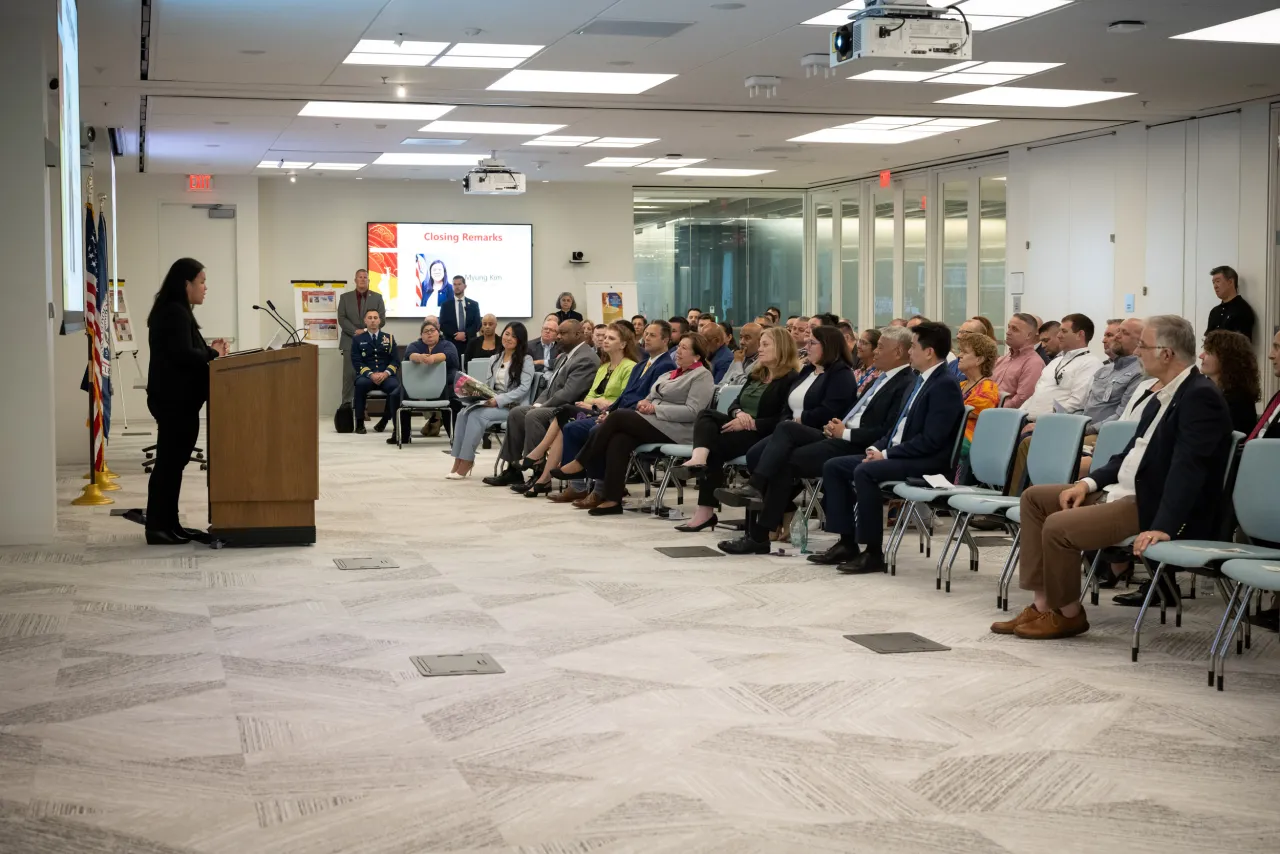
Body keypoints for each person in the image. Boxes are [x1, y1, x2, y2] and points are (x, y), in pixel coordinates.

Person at [993, 315, 1234, 640]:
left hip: (1149, 503)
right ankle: (1043, 604)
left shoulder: (1199, 397)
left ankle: (1068, 614)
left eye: (1144, 346)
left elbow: (1189, 468)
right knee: (1035, 499)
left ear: (1166, 354)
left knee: (1058, 526)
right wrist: (1087, 483)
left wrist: (1163, 526)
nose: (1137, 352)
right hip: (1124, 490)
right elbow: (1129, 454)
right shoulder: (1159, 393)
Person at [717, 325, 915, 555]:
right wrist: (837, 427)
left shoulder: (900, 383)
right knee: (779, 453)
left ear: (898, 352)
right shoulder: (880, 379)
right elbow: (851, 413)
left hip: (852, 442)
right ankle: (759, 532)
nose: (874, 351)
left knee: (785, 445)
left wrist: (843, 431)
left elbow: (884, 430)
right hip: (834, 434)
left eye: (880, 347)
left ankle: (758, 511)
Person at [810, 322, 966, 574]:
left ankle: (873, 552)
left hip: (928, 462)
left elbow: (931, 441)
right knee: (835, 466)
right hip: (901, 454)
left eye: (913, 346)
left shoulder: (944, 385)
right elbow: (895, 430)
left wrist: (886, 455)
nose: (909, 352)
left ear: (929, 352)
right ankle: (846, 542)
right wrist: (876, 449)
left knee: (865, 472)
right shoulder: (920, 380)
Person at [552, 333, 716, 515]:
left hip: (677, 429)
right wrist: (644, 403)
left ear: (697, 356)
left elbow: (693, 412)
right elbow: (650, 397)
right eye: (678, 347)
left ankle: (581, 461)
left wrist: (654, 409)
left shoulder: (702, 376)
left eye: (684, 348)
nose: (678, 351)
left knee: (619, 416)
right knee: (619, 439)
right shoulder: (670, 374)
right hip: (654, 423)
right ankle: (613, 500)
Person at [674, 327, 801, 533]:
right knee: (706, 415)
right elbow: (734, 403)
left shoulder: (790, 379)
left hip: (762, 434)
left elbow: (783, 419)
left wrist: (750, 422)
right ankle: (698, 460)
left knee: (714, 447)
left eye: (765, 344)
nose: (759, 349)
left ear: (782, 348)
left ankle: (705, 511)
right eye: (760, 344)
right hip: (739, 424)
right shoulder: (757, 373)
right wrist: (738, 414)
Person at [143, 258, 228, 545]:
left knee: (172, 465)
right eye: (201, 281)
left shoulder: (177, 311)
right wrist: (213, 353)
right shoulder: (173, 313)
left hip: (178, 400)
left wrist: (210, 350)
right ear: (186, 284)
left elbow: (190, 349)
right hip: (174, 401)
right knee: (169, 465)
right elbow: (185, 356)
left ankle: (170, 524)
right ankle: (158, 526)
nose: (206, 287)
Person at [552, 320, 677, 508]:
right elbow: (625, 395)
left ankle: (597, 487)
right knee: (572, 426)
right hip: (620, 415)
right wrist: (608, 411)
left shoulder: (665, 365)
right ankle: (579, 485)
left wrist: (613, 415)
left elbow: (647, 399)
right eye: (646, 334)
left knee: (595, 431)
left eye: (653, 335)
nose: (646, 338)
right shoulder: (641, 365)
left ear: (666, 339)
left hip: (641, 419)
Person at [518, 321, 640, 497]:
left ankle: (542, 460)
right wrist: (595, 402)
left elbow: (621, 398)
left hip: (610, 414)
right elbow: (590, 393)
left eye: (611, 338)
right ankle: (551, 477)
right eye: (604, 337)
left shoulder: (630, 367)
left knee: (566, 413)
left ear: (623, 344)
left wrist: (595, 403)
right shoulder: (604, 366)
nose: (605, 341)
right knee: (565, 421)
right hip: (593, 409)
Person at [484, 319, 599, 487]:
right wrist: (538, 403)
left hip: (570, 409)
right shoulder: (564, 356)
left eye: (563, 333)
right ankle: (513, 470)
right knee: (517, 413)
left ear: (578, 334)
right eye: (557, 333)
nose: (558, 337)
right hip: (553, 405)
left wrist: (541, 407)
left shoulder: (585, 358)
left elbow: (569, 393)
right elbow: (550, 387)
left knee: (533, 415)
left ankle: (538, 473)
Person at [446, 323, 534, 479]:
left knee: (477, 416)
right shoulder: (495, 358)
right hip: (493, 401)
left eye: (514, 336)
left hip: (513, 406)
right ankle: (458, 459)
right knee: (462, 413)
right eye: (507, 334)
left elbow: (523, 389)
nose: (509, 338)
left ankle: (467, 460)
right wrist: (478, 394)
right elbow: (488, 385)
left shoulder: (526, 360)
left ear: (520, 340)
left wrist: (498, 400)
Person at [1018, 314, 1104, 418]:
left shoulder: (1091, 363)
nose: (1058, 335)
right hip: (1030, 422)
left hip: (1053, 425)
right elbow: (1036, 395)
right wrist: (1018, 415)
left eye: (1064, 331)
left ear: (1080, 334)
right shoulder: (1055, 361)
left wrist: (1043, 422)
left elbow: (1076, 403)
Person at [392, 318, 458, 445]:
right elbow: (409, 355)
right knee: (396, 395)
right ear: (421, 335)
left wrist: (434, 358)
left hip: (443, 385)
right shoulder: (415, 345)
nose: (429, 333)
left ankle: (455, 435)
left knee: (454, 399)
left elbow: (451, 357)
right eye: (425, 331)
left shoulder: (447, 345)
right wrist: (419, 357)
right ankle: (402, 434)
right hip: (417, 384)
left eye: (432, 330)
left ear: (438, 332)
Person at [336, 268, 385, 409]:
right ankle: (346, 407)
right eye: (360, 277)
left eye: (365, 277)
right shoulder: (345, 298)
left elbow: (382, 319)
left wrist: (365, 331)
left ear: (369, 281)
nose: (363, 279)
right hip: (349, 341)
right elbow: (341, 318)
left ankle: (362, 408)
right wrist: (354, 331)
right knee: (349, 376)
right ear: (355, 280)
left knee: (367, 375)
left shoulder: (377, 297)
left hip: (370, 341)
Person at [954, 333, 1002, 477]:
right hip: (954, 435)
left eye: (965, 352)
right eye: (960, 351)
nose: (959, 355)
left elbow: (964, 412)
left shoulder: (988, 387)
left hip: (967, 439)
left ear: (979, 359)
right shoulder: (960, 384)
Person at [1201, 329, 1261, 435]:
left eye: (1208, 352)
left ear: (1226, 359)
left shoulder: (1238, 400)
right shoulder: (1212, 391)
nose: (1201, 356)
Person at [351, 308, 399, 435]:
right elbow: (357, 361)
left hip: (386, 376)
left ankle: (384, 420)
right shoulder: (357, 339)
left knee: (395, 387)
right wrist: (371, 374)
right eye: (370, 318)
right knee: (360, 385)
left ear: (380, 321)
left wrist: (385, 373)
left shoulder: (389, 338)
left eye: (375, 318)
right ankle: (360, 422)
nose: (373, 321)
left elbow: (395, 361)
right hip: (367, 376)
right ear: (365, 321)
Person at [993, 313, 1044, 409]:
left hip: (1005, 416)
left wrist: (994, 410)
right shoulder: (1003, 359)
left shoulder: (1033, 363)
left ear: (1028, 335)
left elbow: (1023, 398)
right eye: (1009, 327)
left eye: (1015, 329)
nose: (1008, 332)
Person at [1205, 265, 1255, 341]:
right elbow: (1208, 341)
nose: (1215, 286)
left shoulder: (1242, 310)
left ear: (1230, 282)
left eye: (1218, 281)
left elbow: (1242, 347)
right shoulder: (1214, 311)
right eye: (1213, 283)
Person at [438, 275, 480, 346]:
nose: (457, 287)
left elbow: (477, 323)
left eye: (459, 284)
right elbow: (442, 324)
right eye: (454, 284)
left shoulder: (474, 304)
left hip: (470, 342)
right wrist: (456, 335)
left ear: (465, 286)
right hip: (451, 342)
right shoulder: (445, 305)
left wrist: (465, 334)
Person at [720, 321, 762, 386]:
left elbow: (744, 387)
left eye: (747, 338)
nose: (741, 342)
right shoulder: (739, 357)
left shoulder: (762, 363)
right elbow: (723, 381)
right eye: (740, 337)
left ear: (760, 341)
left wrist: (738, 363)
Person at [853, 328, 882, 396]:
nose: (858, 346)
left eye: (864, 343)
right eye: (859, 341)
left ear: (875, 348)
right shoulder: (856, 372)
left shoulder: (879, 374)